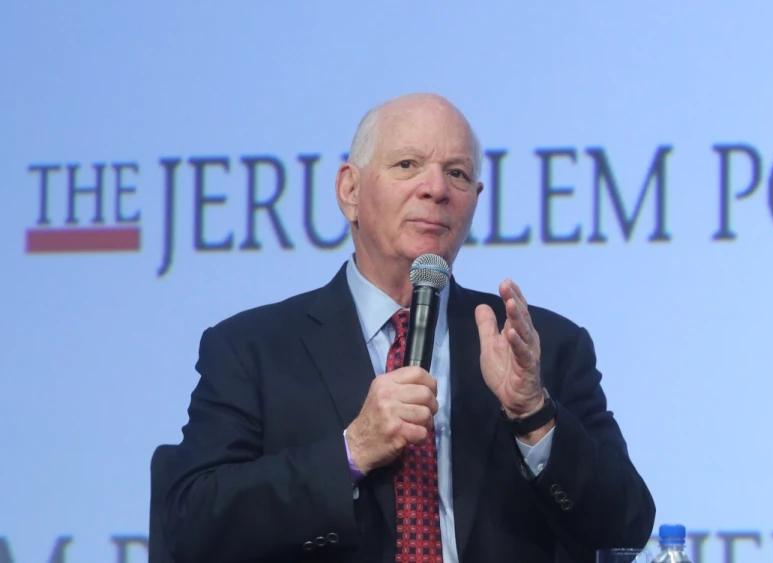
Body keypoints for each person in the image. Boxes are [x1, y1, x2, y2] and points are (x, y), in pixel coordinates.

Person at [160, 93, 655, 563]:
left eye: (457, 174)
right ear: (349, 190)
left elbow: (625, 528)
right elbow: (192, 524)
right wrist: (351, 451)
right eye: (407, 165)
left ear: (475, 201)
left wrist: (533, 415)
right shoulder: (253, 349)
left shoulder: (540, 346)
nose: (436, 188)